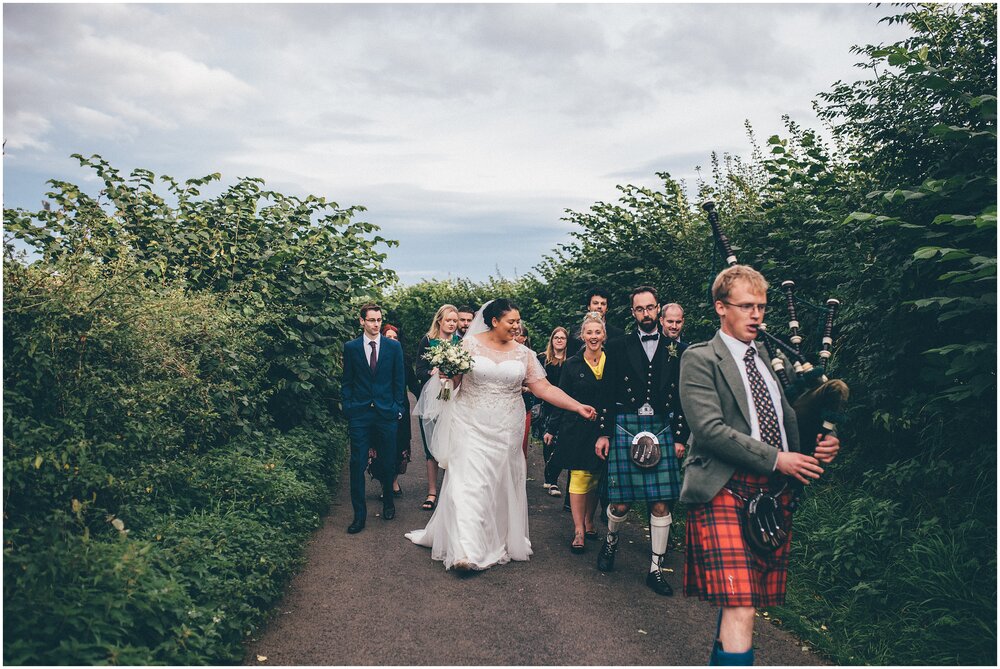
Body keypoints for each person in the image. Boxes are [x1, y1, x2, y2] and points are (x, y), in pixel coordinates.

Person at [679, 265, 840, 665]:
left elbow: (785, 420)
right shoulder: (700, 359)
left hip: (771, 493)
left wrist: (821, 446)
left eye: (762, 307)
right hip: (723, 487)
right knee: (742, 602)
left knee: (741, 601)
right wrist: (777, 458)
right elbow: (710, 430)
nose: (757, 315)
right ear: (721, 307)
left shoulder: (768, 358)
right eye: (746, 306)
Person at [406, 299, 597, 572]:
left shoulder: (524, 354)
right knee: (468, 484)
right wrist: (447, 376)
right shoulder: (469, 345)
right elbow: (456, 381)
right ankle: (465, 552)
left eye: (518, 322)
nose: (517, 326)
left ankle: (491, 537)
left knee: (495, 484)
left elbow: (543, 388)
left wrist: (577, 406)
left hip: (507, 427)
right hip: (469, 422)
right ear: (494, 321)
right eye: (511, 322)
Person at [593, 286, 687, 596]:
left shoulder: (675, 348)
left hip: (661, 426)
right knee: (620, 502)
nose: (645, 313)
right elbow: (606, 391)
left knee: (660, 502)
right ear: (633, 312)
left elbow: (682, 396)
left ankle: (656, 568)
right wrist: (604, 433)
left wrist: (679, 436)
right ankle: (611, 540)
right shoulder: (618, 346)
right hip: (626, 425)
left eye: (650, 308)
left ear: (658, 310)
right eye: (639, 309)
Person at [340, 303, 406, 534]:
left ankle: (388, 499)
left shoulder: (392, 347)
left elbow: (399, 379)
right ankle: (359, 516)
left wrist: (398, 407)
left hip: (386, 413)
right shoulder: (351, 347)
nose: (376, 324)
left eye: (378, 320)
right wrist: (348, 407)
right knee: (357, 464)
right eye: (371, 320)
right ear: (362, 321)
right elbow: (347, 380)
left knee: (388, 461)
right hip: (359, 413)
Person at [545, 313, 607, 553]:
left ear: (604, 335)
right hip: (576, 429)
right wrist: (551, 427)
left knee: (595, 477)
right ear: (582, 336)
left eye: (597, 332)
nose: (593, 337)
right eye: (589, 333)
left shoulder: (612, 361)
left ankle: (590, 521)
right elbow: (561, 396)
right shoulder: (572, 363)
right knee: (579, 476)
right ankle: (579, 530)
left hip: (602, 428)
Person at [413, 304, 462, 512]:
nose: (452, 324)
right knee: (431, 446)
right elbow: (419, 370)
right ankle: (432, 492)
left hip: (455, 397)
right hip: (432, 397)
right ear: (439, 321)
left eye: (455, 320)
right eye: (448, 320)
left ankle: (452, 492)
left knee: (454, 445)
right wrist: (434, 372)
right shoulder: (428, 340)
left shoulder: (461, 343)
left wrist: (452, 374)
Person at [372, 323, 411, 498]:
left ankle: (394, 481)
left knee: (399, 445)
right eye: (389, 337)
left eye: (395, 338)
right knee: (380, 446)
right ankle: (384, 484)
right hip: (380, 409)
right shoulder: (375, 359)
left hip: (401, 409)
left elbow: (414, 385)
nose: (393, 341)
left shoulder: (404, 359)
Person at [537, 327, 569, 497]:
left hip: (564, 405)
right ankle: (550, 477)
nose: (559, 340)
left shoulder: (570, 361)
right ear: (552, 340)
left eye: (562, 338)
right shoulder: (543, 359)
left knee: (559, 442)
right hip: (547, 405)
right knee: (547, 441)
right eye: (556, 337)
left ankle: (553, 479)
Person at [569, 287, 624, 354]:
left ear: (607, 308)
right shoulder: (575, 333)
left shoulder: (617, 334)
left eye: (603, 304)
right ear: (588, 306)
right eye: (595, 303)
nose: (599, 306)